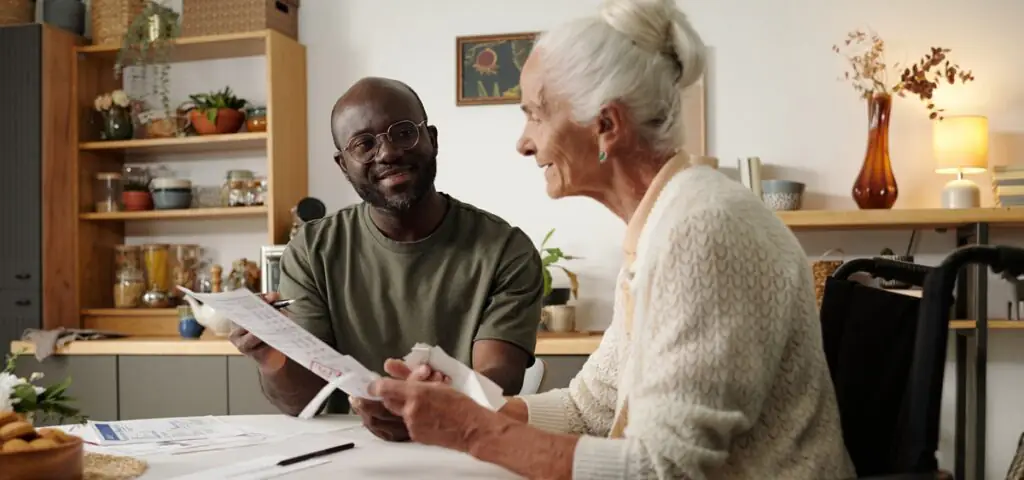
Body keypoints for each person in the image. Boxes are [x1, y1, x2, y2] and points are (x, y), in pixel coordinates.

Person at [367, 0, 857, 478]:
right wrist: (468, 404)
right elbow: (589, 409)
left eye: (536, 114)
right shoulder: (661, 226)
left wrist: (473, 432)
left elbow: (662, 468)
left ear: (606, 126)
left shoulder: (704, 229)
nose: (524, 142)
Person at [230, 77, 544, 442]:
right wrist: (273, 359)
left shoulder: (505, 249)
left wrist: (427, 406)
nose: (387, 153)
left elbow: (496, 378)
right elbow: (302, 400)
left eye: (403, 133)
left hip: (463, 448)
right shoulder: (312, 251)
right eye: (363, 144)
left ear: (433, 140)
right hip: (350, 455)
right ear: (343, 165)